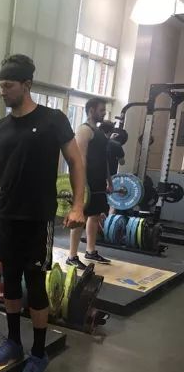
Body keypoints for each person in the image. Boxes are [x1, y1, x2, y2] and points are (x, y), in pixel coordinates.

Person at [0, 54, 86, 372]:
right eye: (1, 85)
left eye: (8, 85)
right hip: (5, 215)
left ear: (27, 84)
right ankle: (13, 342)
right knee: (9, 280)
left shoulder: (53, 120)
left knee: (34, 284)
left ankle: (38, 353)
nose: (2, 91)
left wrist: (78, 205)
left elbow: (75, 162)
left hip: (37, 217)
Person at [67, 99, 113, 270]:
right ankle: (72, 256)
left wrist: (109, 180)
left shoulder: (99, 132)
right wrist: (82, 184)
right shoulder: (84, 130)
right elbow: (81, 158)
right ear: (91, 110)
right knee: (80, 218)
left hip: (99, 181)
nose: (104, 113)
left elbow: (104, 159)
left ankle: (90, 251)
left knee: (95, 215)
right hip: (87, 182)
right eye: (102, 110)